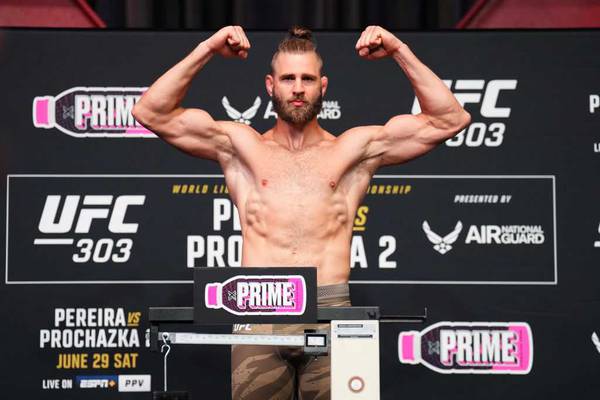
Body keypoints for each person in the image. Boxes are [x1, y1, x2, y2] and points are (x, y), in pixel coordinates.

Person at [133, 25, 470, 400]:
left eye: (307, 79)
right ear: (270, 85)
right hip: (260, 310)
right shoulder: (240, 147)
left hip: (332, 311)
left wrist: (398, 48)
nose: (297, 88)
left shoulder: (352, 150)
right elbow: (150, 111)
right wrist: (208, 47)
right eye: (288, 78)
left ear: (323, 86)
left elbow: (450, 120)